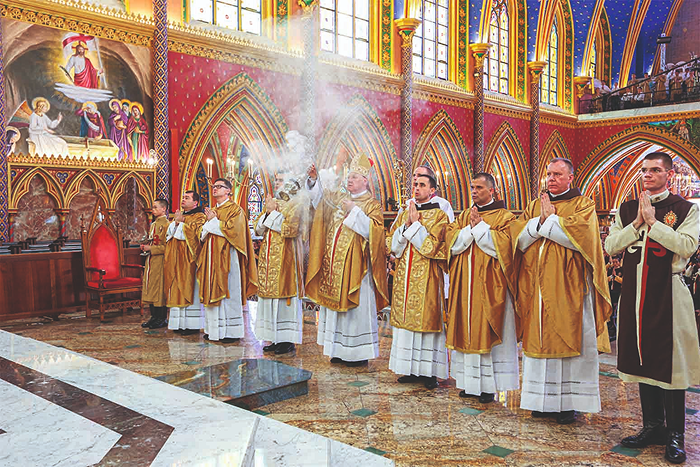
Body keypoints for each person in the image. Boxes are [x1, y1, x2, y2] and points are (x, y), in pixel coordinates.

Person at [605, 152, 700, 464]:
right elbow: (610, 245)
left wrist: (654, 223)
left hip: (669, 292)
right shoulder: (627, 208)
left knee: (671, 364)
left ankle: (675, 435)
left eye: (655, 170)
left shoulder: (687, 209)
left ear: (669, 174)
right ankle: (653, 426)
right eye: (644, 170)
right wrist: (636, 223)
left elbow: (687, 246)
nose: (647, 174)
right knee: (642, 360)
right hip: (635, 294)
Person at [513, 158, 612, 425]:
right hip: (536, 287)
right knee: (539, 341)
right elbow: (517, 239)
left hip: (570, 288)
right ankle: (541, 401)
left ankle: (568, 404)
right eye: (548, 174)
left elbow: (580, 239)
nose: (551, 179)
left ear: (571, 178)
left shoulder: (583, 205)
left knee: (568, 340)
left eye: (558, 174)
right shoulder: (534, 205)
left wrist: (547, 221)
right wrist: (539, 222)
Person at [306, 153, 390, 366]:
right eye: (349, 176)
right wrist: (314, 180)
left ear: (365, 180)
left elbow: (376, 234)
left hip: (357, 270)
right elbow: (320, 201)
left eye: (354, 177)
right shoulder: (339, 198)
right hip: (333, 269)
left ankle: (357, 353)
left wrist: (355, 212)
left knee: (355, 314)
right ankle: (337, 350)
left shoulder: (371, 205)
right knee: (335, 311)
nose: (349, 180)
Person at [446, 173, 519, 403]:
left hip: (491, 287)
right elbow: (450, 241)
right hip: (465, 285)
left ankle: (489, 387)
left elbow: (506, 248)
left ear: (492, 190)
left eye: (479, 187)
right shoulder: (465, 215)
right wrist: (470, 230)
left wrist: (479, 229)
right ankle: (469, 384)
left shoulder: (505, 217)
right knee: (466, 331)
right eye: (472, 187)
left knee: (487, 332)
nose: (474, 192)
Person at [388, 171, 448, 389]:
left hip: (427, 279)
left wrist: (414, 226)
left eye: (422, 185)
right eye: (415, 184)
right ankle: (410, 369)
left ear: (432, 190)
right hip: (404, 277)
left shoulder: (439, 215)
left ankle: (429, 373)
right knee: (406, 325)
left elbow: (433, 247)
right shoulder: (405, 212)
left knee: (426, 323)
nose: (417, 188)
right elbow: (391, 245)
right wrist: (405, 226)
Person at [197, 178, 258, 343]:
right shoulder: (212, 211)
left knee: (229, 292)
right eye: (214, 186)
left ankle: (231, 332)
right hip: (211, 258)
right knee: (211, 291)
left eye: (219, 186)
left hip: (228, 258)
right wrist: (210, 224)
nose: (215, 189)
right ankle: (213, 330)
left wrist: (212, 223)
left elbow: (235, 231)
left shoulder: (235, 210)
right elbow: (202, 234)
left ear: (228, 191)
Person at [254, 172, 305, 355]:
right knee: (269, 300)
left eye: (281, 180)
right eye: (276, 180)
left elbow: (290, 229)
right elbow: (258, 228)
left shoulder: (296, 204)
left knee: (284, 299)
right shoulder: (273, 202)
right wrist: (269, 212)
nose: (277, 183)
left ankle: (286, 340)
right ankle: (273, 337)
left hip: (286, 259)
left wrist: (272, 213)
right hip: (268, 259)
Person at [165, 191, 207, 336]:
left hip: (190, 260)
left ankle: (192, 325)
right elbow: (169, 234)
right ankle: (178, 324)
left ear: (195, 203)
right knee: (176, 289)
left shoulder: (200, 216)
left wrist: (181, 223)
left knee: (189, 288)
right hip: (176, 259)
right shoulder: (181, 216)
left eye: (187, 198)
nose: (183, 200)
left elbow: (197, 235)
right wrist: (176, 223)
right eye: (183, 197)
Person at [141, 199, 170, 329]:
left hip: (160, 261)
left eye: (155, 207)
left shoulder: (167, 225)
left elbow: (167, 247)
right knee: (151, 288)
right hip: (151, 261)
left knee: (159, 289)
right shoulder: (153, 224)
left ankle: (161, 318)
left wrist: (151, 248)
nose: (152, 210)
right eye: (152, 207)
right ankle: (153, 317)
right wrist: (146, 247)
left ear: (163, 209)